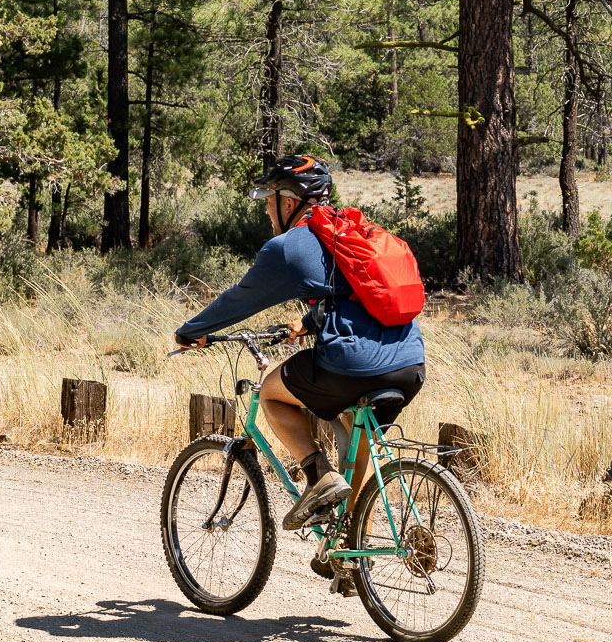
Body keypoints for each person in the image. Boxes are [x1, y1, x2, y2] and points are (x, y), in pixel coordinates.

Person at [174, 155, 425, 541]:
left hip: (353, 364)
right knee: (357, 440)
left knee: (272, 395)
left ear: (288, 202)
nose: (266, 211)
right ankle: (352, 554)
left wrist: (192, 330)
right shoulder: (348, 234)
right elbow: (351, 294)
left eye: (268, 201)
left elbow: (242, 299)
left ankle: (317, 475)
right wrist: (306, 323)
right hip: (410, 362)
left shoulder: (289, 246)